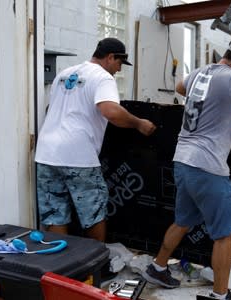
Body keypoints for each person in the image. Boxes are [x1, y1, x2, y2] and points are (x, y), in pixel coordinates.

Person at [142, 35, 231, 300]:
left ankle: (157, 267)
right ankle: (220, 295)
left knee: (184, 220)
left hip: (183, 159)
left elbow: (179, 86)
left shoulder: (200, 72)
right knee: (226, 233)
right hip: (208, 164)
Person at [35, 37, 156, 242]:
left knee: (55, 213)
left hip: (46, 154)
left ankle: (61, 266)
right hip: (78, 156)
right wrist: (139, 123)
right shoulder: (103, 77)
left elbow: (51, 108)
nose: (118, 70)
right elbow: (110, 111)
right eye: (119, 63)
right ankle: (96, 263)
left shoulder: (64, 74)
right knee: (93, 211)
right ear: (110, 57)